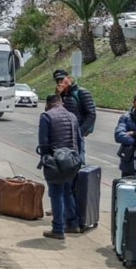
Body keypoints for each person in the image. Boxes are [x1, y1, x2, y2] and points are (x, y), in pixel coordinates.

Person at [38, 94, 82, 240]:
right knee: (67, 191)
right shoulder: (72, 117)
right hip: (71, 160)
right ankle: (73, 224)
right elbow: (79, 141)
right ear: (60, 103)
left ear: (47, 104)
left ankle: (58, 228)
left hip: (55, 161)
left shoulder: (46, 116)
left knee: (56, 193)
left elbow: (43, 143)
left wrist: (46, 159)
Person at [54, 69, 96, 163]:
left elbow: (91, 114)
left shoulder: (81, 92)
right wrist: (57, 95)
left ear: (68, 78)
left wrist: (79, 133)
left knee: (78, 162)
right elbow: (51, 111)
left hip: (76, 135)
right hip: (61, 136)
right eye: (57, 81)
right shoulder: (58, 96)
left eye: (62, 79)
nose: (60, 83)